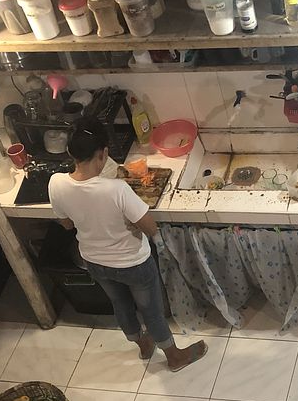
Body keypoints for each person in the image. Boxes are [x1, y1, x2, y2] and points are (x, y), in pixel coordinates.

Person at [50, 119, 206, 372]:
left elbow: (67, 224)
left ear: (70, 152)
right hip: (133, 264)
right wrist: (139, 229)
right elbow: (149, 226)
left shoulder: (56, 183)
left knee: (120, 305)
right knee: (151, 310)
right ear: (103, 154)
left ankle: (143, 345)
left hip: (95, 262)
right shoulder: (116, 189)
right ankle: (174, 357)